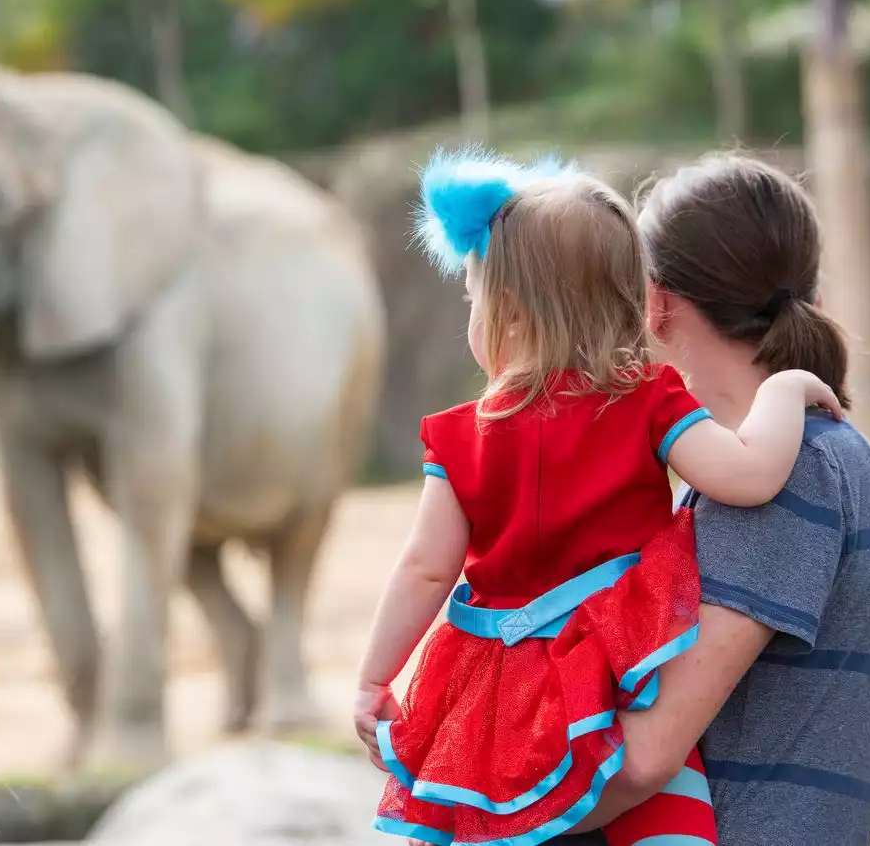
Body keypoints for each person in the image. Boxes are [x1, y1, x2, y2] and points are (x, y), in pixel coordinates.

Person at [352, 148, 842, 846]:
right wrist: (785, 390)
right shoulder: (650, 403)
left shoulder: (462, 440)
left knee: (476, 810)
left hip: (500, 689)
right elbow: (750, 474)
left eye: (473, 301)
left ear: (509, 314)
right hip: (616, 674)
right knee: (671, 808)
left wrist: (375, 678)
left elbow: (425, 568)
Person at [554, 153, 870, 845]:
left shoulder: (792, 474)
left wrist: (476, 808)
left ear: (654, 303)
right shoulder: (806, 456)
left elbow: (644, 759)